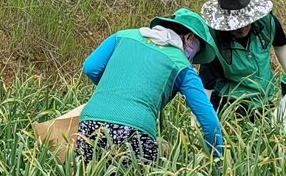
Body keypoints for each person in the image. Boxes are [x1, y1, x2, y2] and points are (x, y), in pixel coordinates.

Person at [78, 9, 225, 164]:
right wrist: (218, 163)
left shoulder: (123, 36)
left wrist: (114, 90)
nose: (193, 56)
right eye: (197, 48)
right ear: (189, 38)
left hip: (90, 122)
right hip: (135, 129)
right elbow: (210, 122)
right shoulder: (182, 66)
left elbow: (90, 67)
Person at [199, 0, 286, 113]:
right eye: (236, 25)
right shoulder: (214, 40)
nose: (241, 28)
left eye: (245, 22)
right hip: (231, 103)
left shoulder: (267, 22)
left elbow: (282, 46)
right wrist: (200, 121)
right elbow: (206, 85)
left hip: (266, 97)